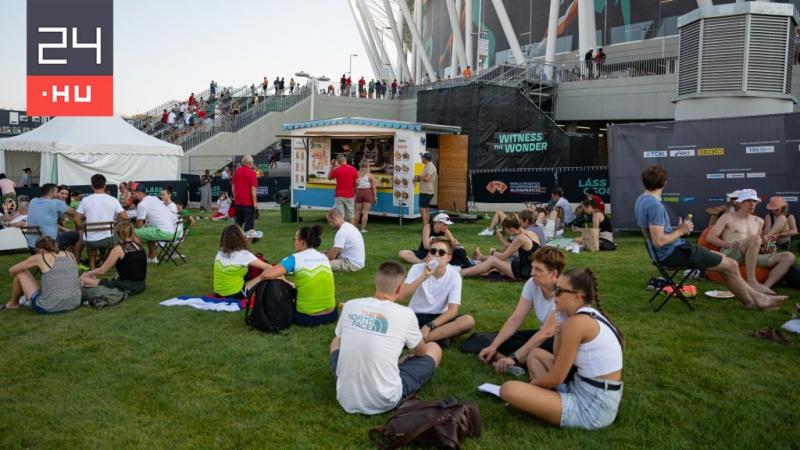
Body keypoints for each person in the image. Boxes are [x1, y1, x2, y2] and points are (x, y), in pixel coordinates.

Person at [635, 166, 785, 309]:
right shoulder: (655, 206)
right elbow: (659, 241)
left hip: (670, 252)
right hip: (674, 253)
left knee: (726, 262)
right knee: (731, 265)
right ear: (664, 183)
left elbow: (653, 233)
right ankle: (755, 301)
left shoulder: (641, 200)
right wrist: (681, 231)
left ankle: (756, 299)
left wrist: (676, 230)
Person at [499, 268, 623, 430]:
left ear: (577, 296)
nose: (553, 294)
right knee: (536, 355)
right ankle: (546, 403)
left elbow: (556, 378)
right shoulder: (586, 315)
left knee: (508, 389)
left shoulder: (577, 323)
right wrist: (559, 321)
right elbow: (557, 359)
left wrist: (532, 384)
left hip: (593, 408)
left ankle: (544, 404)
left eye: (559, 290)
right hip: (587, 390)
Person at [329, 261, 442, 415]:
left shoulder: (350, 305)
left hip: (345, 395)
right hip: (384, 399)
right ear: (399, 288)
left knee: (336, 340)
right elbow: (421, 351)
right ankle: (394, 368)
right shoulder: (406, 314)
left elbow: (341, 340)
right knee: (434, 348)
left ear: (375, 282)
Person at [478, 247, 565, 375]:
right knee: (494, 340)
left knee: (536, 347)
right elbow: (517, 318)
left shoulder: (565, 292)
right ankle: (507, 359)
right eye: (532, 267)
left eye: (538, 269)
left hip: (560, 341)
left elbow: (546, 333)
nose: (531, 273)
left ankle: (513, 361)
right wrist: (494, 345)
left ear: (554, 274)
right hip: (542, 335)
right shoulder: (532, 283)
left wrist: (514, 357)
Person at [706, 189, 795, 295]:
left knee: (788, 256)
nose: (752, 204)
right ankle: (752, 281)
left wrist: (766, 249)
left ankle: (764, 288)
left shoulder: (759, 221)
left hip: (751, 257)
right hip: (731, 253)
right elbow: (710, 237)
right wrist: (728, 244)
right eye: (748, 200)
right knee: (754, 238)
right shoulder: (728, 217)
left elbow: (757, 243)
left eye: (754, 201)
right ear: (740, 202)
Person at [250, 225, 337, 326]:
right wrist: (286, 282)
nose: (294, 242)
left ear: (302, 242)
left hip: (307, 317)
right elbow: (309, 283)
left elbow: (267, 275)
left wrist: (278, 278)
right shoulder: (324, 257)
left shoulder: (295, 258)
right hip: (332, 314)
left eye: (295, 239)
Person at [399, 237, 475, 345]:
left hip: (439, 318)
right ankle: (438, 337)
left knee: (468, 321)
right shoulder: (417, 268)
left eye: (441, 252)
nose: (436, 255)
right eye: (433, 251)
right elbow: (402, 295)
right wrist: (423, 276)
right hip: (415, 314)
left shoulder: (454, 275)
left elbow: (453, 310)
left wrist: (429, 325)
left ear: (449, 257)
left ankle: (417, 340)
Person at [4, 236, 81, 313]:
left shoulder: (40, 257)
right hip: (74, 302)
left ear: (39, 249)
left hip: (48, 306)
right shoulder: (69, 254)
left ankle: (13, 303)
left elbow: (12, 270)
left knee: (21, 273)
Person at [460, 214, 540, 279]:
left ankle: (461, 273)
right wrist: (501, 240)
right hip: (530, 268)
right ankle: (477, 261)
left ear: (511, 229)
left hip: (524, 272)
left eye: (505, 230)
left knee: (493, 260)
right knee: (497, 260)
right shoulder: (530, 233)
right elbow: (521, 251)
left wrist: (493, 252)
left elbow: (503, 257)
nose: (505, 232)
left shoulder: (520, 238)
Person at [78, 222, 147, 296]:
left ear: (118, 234)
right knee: (92, 278)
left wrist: (86, 274)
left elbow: (102, 270)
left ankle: (87, 284)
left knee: (83, 279)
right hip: (141, 285)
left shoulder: (118, 249)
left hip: (125, 286)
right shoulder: (139, 245)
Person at [77, 174, 128, 269]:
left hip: (90, 240)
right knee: (117, 240)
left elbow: (76, 218)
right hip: (108, 239)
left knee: (93, 245)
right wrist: (116, 225)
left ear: (91, 186)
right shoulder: (113, 200)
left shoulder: (85, 200)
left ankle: (93, 268)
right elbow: (125, 217)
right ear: (105, 186)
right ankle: (105, 263)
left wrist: (82, 228)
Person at [211, 224, 272, 298]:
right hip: (236, 293)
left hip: (218, 293)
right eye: (241, 232)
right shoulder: (243, 254)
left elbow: (240, 252)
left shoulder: (221, 251)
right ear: (239, 237)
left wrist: (249, 238)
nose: (243, 232)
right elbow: (269, 267)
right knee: (265, 274)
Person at [25, 184, 82, 256]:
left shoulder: (33, 201)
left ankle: (63, 257)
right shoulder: (56, 202)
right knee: (80, 234)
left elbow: (44, 220)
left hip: (32, 245)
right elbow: (75, 213)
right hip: (50, 243)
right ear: (51, 192)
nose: (57, 194)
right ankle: (75, 260)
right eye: (56, 192)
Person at [398, 213, 472, 268]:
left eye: (447, 225)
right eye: (445, 224)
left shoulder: (446, 231)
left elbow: (455, 245)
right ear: (438, 223)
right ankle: (422, 263)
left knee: (459, 253)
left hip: (439, 253)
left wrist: (453, 243)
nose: (447, 226)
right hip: (425, 252)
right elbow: (426, 246)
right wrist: (443, 240)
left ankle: (466, 262)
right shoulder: (428, 227)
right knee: (402, 253)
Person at [130, 183, 177, 264]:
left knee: (131, 233)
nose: (131, 196)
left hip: (164, 232)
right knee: (148, 231)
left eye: (132, 193)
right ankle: (152, 257)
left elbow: (138, 226)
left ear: (139, 193)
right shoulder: (154, 198)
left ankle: (136, 258)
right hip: (173, 231)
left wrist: (131, 228)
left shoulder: (142, 204)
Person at [328, 153, 359, 223]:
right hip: (350, 195)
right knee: (351, 216)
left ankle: (342, 231)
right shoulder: (353, 169)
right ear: (345, 160)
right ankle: (352, 231)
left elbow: (329, 177)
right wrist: (354, 188)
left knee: (340, 216)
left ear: (338, 162)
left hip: (339, 195)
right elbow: (357, 182)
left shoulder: (337, 170)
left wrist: (332, 166)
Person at [232, 155, 259, 232]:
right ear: (249, 163)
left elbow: (233, 187)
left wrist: (235, 198)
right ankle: (247, 241)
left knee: (238, 222)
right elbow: (253, 190)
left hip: (238, 202)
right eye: (252, 162)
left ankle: (234, 237)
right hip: (248, 203)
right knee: (249, 224)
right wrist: (255, 205)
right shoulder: (252, 173)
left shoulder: (236, 171)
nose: (253, 163)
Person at [354, 159, 377, 232]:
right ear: (368, 166)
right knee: (365, 212)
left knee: (357, 212)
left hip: (358, 192)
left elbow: (354, 185)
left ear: (360, 165)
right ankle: (363, 229)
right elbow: (374, 188)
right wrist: (375, 197)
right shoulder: (370, 175)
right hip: (368, 192)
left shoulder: (356, 174)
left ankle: (355, 228)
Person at [416, 153, 438, 226]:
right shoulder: (427, 166)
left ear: (425, 159)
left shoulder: (431, 167)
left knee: (423, 210)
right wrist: (418, 178)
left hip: (427, 191)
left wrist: (418, 177)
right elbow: (424, 178)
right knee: (425, 209)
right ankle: (427, 226)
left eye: (422, 158)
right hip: (425, 191)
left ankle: (425, 227)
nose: (421, 159)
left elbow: (427, 178)